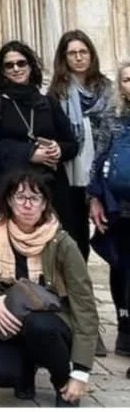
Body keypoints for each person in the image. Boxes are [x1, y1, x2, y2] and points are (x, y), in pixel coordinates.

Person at [0, 169, 97, 407]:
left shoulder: (62, 242)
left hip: (54, 324)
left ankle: (62, 383)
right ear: (9, 201)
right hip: (11, 321)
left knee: (40, 326)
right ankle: (24, 373)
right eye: (20, 197)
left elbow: (84, 305)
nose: (27, 205)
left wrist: (81, 371)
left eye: (35, 198)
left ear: (45, 203)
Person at [0, 41, 78, 231]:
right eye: (9, 65)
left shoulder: (48, 103)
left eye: (21, 63)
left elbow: (71, 144)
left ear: (31, 67)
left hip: (49, 191)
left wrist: (58, 149)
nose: (16, 68)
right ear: (2, 71)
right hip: (9, 194)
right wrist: (28, 153)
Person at [48, 29, 115, 262]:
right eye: (72, 53)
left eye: (83, 52)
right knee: (75, 235)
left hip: (103, 166)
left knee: (111, 234)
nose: (78, 57)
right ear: (64, 58)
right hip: (71, 170)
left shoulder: (108, 89)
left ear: (91, 55)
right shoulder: (56, 93)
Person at [88, 61, 130, 356]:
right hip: (119, 204)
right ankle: (124, 323)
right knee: (121, 264)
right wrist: (94, 198)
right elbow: (99, 155)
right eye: (127, 79)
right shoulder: (112, 117)